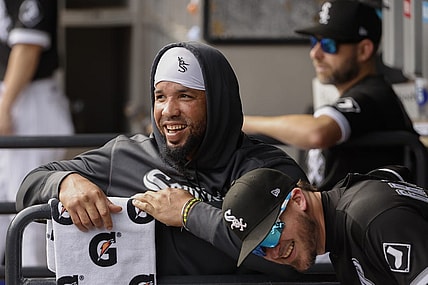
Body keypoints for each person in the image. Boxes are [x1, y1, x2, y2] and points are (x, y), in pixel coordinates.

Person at [16, 41, 308, 277]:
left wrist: (190, 213)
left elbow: (292, 259)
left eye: (185, 96)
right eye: (159, 96)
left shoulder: (266, 167)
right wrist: (65, 182)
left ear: (218, 103)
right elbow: (29, 187)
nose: (169, 110)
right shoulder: (129, 154)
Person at [242, 0, 416, 190]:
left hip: (354, 216)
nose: (315, 53)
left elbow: (317, 133)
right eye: (314, 42)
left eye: (329, 44)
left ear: (364, 50)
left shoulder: (373, 95)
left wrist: (243, 123)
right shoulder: (361, 92)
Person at [222, 166, 428, 284]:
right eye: (260, 249)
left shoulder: (371, 217)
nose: (273, 252)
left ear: (297, 200)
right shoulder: (339, 233)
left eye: (271, 235)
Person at [0, 0, 74, 267]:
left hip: (28, 100)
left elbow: (28, 47)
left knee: (27, 216)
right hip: (13, 96)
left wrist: (5, 105)